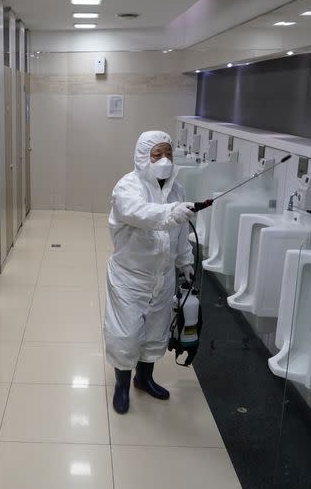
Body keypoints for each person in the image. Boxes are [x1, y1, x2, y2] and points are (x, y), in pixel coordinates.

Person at [104, 130, 196, 415]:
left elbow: (180, 234)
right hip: (130, 277)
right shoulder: (127, 187)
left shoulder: (177, 190)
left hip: (163, 276)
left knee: (155, 333)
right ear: (143, 157)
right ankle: (122, 384)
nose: (164, 160)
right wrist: (170, 213)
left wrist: (185, 262)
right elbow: (138, 213)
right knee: (127, 335)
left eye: (168, 154)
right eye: (157, 155)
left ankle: (144, 379)